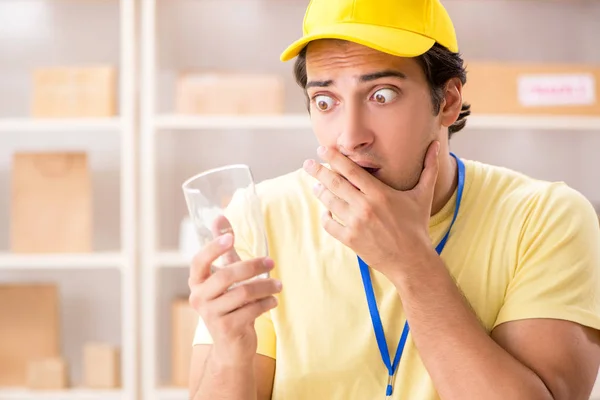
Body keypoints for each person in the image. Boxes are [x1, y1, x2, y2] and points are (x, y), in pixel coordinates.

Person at [186, 0, 600, 399]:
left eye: (381, 95)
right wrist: (230, 354)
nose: (350, 137)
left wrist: (411, 261)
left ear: (448, 101)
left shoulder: (545, 217)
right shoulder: (261, 216)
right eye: (325, 101)